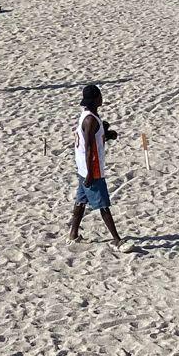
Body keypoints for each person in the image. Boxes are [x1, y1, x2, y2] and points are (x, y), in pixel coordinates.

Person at [68, 83, 124, 247]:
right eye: (100, 96)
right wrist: (91, 174)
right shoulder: (91, 120)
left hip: (82, 168)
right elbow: (89, 147)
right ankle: (117, 239)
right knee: (103, 205)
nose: (102, 98)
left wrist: (107, 135)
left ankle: (73, 233)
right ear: (96, 99)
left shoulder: (87, 115)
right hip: (91, 169)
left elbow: (93, 138)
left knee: (80, 201)